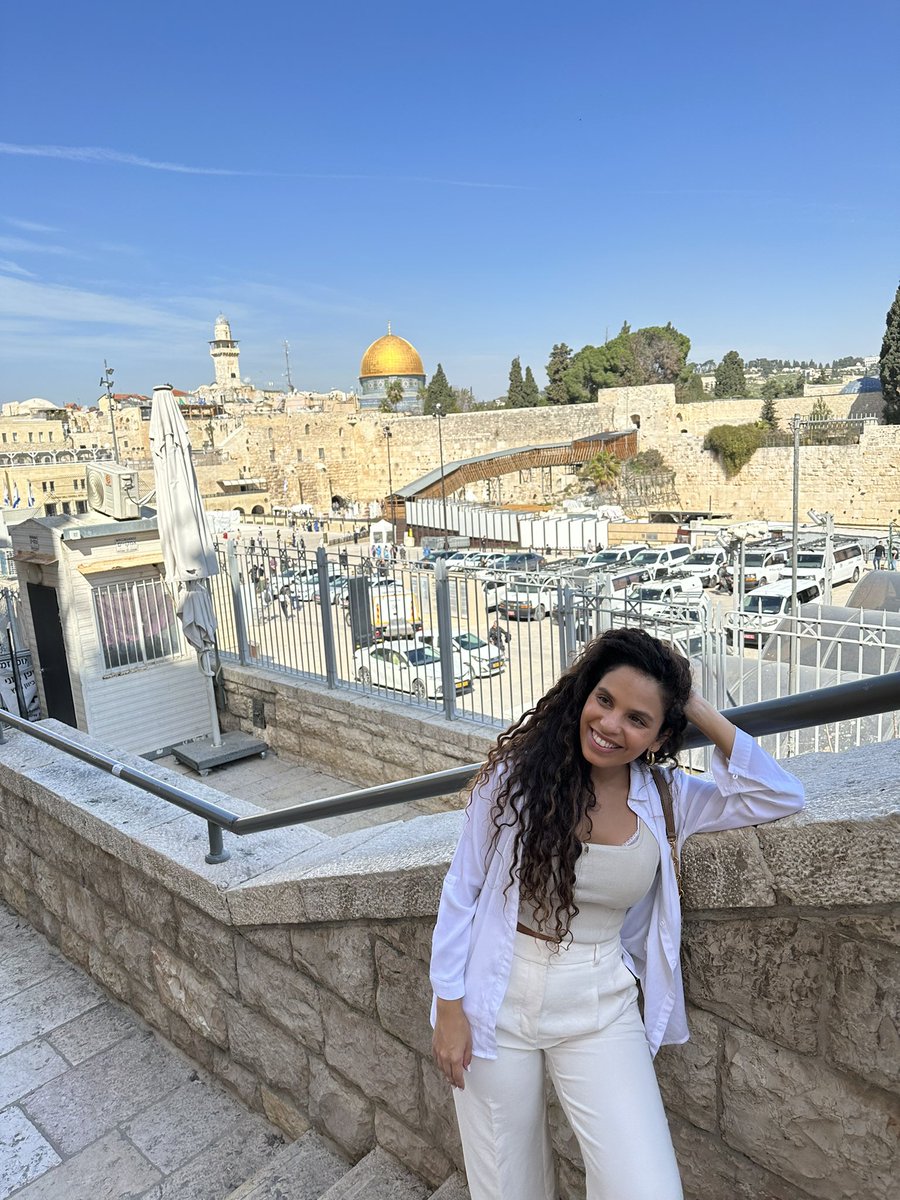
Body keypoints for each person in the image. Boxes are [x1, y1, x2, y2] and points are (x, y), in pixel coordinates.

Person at [430, 628, 804, 1200]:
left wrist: (692, 701)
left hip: (600, 1003)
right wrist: (450, 1007)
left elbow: (778, 795)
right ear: (584, 693)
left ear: (660, 735)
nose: (610, 725)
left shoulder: (667, 795)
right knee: (508, 1185)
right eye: (604, 700)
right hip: (494, 1000)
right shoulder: (514, 779)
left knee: (646, 1187)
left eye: (638, 718)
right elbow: (463, 891)